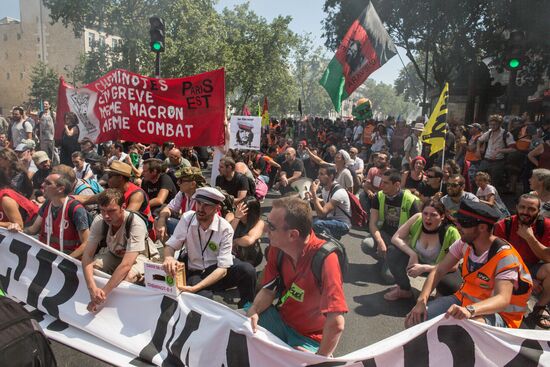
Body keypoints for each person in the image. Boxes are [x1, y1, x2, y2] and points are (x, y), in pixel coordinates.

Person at [406, 200, 533, 329]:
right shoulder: (464, 243)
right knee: (413, 319)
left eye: (464, 223)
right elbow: (438, 271)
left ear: (482, 227)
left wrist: (470, 310)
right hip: (465, 301)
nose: (458, 227)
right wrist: (421, 301)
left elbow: (502, 299)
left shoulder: (505, 256)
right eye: (458, 221)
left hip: (499, 314)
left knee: (463, 330)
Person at [246, 196, 347, 356]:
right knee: (232, 323)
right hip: (281, 319)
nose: (265, 229)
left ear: (293, 235)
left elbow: (336, 323)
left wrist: (319, 359)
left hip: (309, 337)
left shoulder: (326, 259)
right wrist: (254, 310)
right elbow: (269, 289)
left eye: (271, 226)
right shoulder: (277, 247)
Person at [163, 187, 257, 307]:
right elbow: (171, 245)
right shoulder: (187, 218)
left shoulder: (225, 228)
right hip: (195, 271)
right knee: (202, 301)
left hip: (218, 270)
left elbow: (223, 269)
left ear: (216, 208)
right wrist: (169, 258)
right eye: (199, 203)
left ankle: (246, 308)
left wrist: (197, 287)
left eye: (207, 205)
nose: (200, 209)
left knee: (248, 271)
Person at [82, 189, 160, 313]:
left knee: (128, 277)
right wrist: (92, 288)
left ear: (123, 207)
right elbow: (87, 256)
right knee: (94, 269)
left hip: (140, 256)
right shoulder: (99, 221)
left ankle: (120, 310)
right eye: (102, 210)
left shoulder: (135, 223)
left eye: (111, 211)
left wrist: (102, 295)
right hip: (114, 253)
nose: (106, 216)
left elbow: (126, 265)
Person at [384, 200, 462, 301]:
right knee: (392, 251)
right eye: (425, 213)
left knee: (451, 285)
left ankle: (440, 294)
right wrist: (413, 254)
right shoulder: (417, 219)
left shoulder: (451, 232)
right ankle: (404, 289)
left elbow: (453, 267)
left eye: (433, 215)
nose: (428, 218)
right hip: (416, 262)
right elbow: (395, 238)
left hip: (439, 268)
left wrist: (425, 268)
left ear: (442, 216)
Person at [493, 194, 550, 329]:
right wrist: (526, 278)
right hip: (509, 268)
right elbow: (497, 260)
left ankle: (540, 306)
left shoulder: (545, 226)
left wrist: (530, 238)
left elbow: (548, 258)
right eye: (522, 207)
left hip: (534, 266)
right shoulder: (503, 226)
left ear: (538, 211)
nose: (525, 212)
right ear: (516, 207)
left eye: (531, 209)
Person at [8, 170, 90, 258]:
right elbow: (33, 230)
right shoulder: (47, 204)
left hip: (65, 260)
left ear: (61, 189)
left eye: (48, 183)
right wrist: (18, 229)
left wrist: (64, 261)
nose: (42, 185)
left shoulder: (76, 209)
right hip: (46, 256)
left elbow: (87, 243)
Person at [363, 169, 421, 283]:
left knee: (389, 278)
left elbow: (416, 232)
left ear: (397, 184)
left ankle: (393, 261)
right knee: (366, 244)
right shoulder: (379, 196)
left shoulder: (411, 200)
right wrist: (380, 242)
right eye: (381, 181)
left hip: (402, 240)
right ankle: (385, 260)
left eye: (385, 183)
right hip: (385, 235)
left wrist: (403, 247)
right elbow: (372, 223)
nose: (381, 185)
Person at [156, 167, 205, 240]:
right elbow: (169, 208)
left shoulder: (203, 198)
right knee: (158, 220)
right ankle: (170, 248)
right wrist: (162, 220)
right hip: (187, 227)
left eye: (181, 181)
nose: (177, 183)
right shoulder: (183, 193)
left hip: (200, 233)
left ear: (192, 184)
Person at [477, 114, 516, 193]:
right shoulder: (489, 132)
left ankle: (492, 199)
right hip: (486, 160)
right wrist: (477, 150)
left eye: (495, 124)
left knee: (494, 183)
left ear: (499, 124)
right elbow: (479, 140)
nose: (492, 126)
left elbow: (513, 149)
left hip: (498, 162)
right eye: (491, 124)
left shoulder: (506, 134)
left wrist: (500, 150)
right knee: (480, 178)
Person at [230, 196, 265, 267]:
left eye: (242, 210)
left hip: (250, 258)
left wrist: (235, 241)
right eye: (237, 208)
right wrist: (236, 218)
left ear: (251, 213)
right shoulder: (232, 216)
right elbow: (226, 235)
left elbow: (248, 240)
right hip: (233, 257)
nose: (238, 211)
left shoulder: (259, 223)